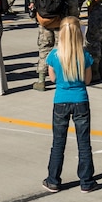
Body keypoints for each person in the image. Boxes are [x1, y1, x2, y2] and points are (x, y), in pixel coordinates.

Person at [42, 17, 96, 192]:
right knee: (84, 142)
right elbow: (87, 80)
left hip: (61, 100)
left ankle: (53, 179)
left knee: (58, 142)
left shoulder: (54, 55)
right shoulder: (84, 55)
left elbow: (53, 78)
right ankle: (86, 181)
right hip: (80, 99)